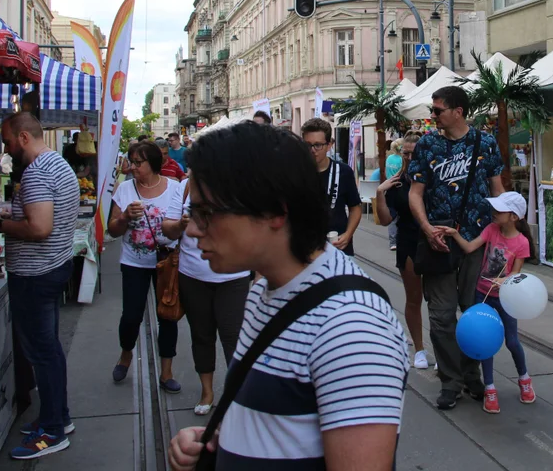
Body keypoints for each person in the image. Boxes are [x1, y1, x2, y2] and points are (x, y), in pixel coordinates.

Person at [167, 121, 408, 471]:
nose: (191, 229)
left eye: (206, 213)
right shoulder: (265, 289)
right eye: (192, 213)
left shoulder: (352, 328)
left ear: (274, 212)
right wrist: (220, 441)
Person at [0, 112, 78, 459]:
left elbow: (39, 228)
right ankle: (57, 418)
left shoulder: (36, 173)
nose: (5, 149)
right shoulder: (58, 165)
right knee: (49, 350)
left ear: (22, 137)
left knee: (43, 353)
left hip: (36, 275)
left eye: (6, 142)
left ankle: (52, 430)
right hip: (52, 268)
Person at [408, 85, 504, 410]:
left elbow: (498, 191)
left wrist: (503, 234)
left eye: (438, 110)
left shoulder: (485, 143)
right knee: (441, 317)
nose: (432, 115)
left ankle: (471, 374)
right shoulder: (427, 143)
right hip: (438, 243)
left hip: (476, 242)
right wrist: (426, 228)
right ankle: (450, 380)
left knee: (474, 312)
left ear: (458, 111)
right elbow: (415, 192)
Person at [163, 174, 251, 416]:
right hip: (193, 275)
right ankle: (207, 391)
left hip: (233, 276)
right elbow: (167, 229)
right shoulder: (186, 186)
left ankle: (236, 395)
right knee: (201, 335)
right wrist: (181, 225)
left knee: (234, 336)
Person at [444, 191, 534, 414]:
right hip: (482, 295)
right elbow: (469, 247)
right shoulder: (491, 230)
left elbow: (515, 275)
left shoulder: (522, 243)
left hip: (505, 299)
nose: (493, 213)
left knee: (512, 341)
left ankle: (524, 378)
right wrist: (455, 234)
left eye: (499, 210)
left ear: (514, 216)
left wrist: (503, 281)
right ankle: (490, 388)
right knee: (485, 342)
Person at [107, 141, 182, 393]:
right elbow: (113, 230)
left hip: (167, 263)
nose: (133, 167)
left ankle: (166, 370)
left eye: (138, 163)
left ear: (153, 163)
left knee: (167, 316)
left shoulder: (175, 188)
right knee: (131, 316)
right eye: (132, 161)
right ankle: (126, 353)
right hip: (134, 263)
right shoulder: (125, 190)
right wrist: (125, 217)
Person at [375, 131, 429, 371]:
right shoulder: (397, 183)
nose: (408, 157)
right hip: (408, 243)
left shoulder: (432, 178)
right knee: (414, 298)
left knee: (440, 302)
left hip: (432, 242)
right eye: (404, 152)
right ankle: (419, 349)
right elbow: (386, 220)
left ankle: (443, 351)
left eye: (413, 153)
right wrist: (380, 193)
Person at [301, 118, 362, 256]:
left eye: (318, 145)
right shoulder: (296, 172)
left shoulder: (344, 172)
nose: (312, 150)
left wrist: (348, 234)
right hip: (305, 251)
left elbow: (355, 208)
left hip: (337, 247)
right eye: (307, 145)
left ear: (329, 145)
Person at [384, 139, 404, 251]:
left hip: (389, 187)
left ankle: (392, 242)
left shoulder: (389, 158)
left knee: (392, 215)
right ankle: (400, 239)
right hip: (399, 187)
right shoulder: (402, 160)